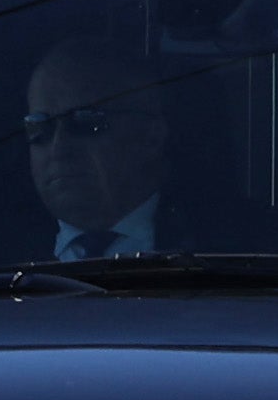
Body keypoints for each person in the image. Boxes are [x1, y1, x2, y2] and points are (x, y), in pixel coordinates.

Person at [22, 34, 169, 259]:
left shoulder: (230, 243)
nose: (58, 149)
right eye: (39, 128)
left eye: (85, 122)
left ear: (151, 136)